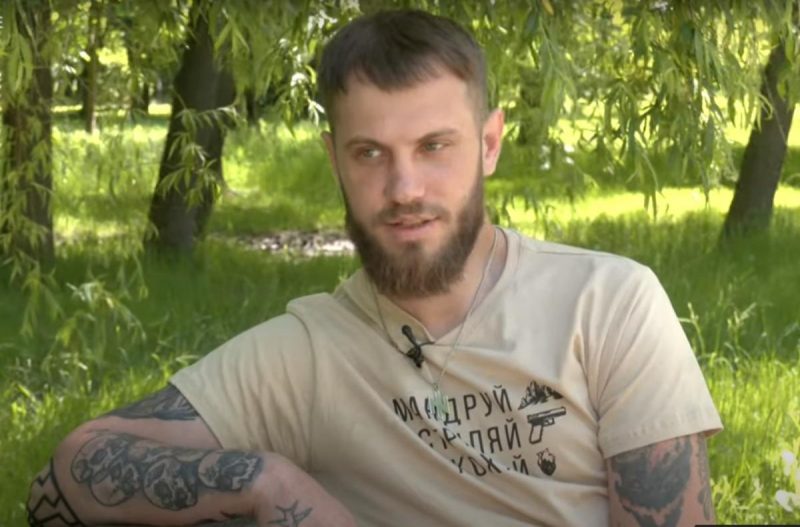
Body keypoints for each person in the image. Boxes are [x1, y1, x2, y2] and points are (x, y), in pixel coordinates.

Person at [27, 9, 722, 527]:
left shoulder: (607, 303)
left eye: (434, 146)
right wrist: (268, 481)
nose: (404, 188)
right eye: (370, 153)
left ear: (489, 144)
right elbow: (76, 466)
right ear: (334, 159)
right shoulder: (310, 352)